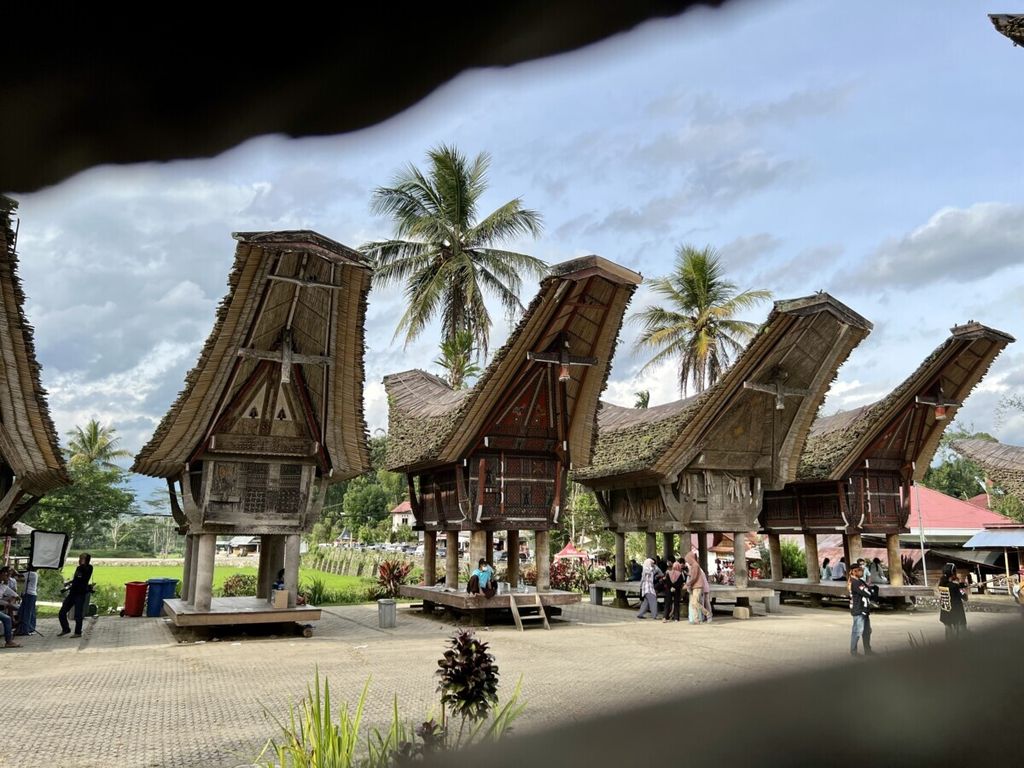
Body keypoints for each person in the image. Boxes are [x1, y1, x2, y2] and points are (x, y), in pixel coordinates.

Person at [58, 552, 93, 638]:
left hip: (80, 594)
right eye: (79, 558)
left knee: (78, 614)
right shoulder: (79, 568)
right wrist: (69, 583)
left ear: (85, 560)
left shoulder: (88, 568)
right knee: (62, 612)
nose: (79, 560)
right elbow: (76, 579)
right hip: (72, 593)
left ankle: (78, 632)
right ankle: (66, 629)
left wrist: (83, 563)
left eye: (81, 559)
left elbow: (82, 576)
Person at [848, 562, 874, 656]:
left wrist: (871, 590)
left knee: (867, 631)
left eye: (861, 570)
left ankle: (868, 650)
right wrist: (871, 591)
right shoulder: (855, 582)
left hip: (864, 610)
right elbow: (867, 593)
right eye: (859, 570)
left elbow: (869, 589)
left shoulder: (860, 581)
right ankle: (853, 651)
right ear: (854, 571)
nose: (861, 572)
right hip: (858, 610)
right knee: (857, 631)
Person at [937, 563, 967, 640]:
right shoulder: (955, 587)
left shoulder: (941, 585)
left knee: (949, 636)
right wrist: (962, 587)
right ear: (953, 574)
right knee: (959, 637)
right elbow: (965, 597)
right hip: (956, 615)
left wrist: (961, 585)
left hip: (946, 613)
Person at [685, 551, 712, 624]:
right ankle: (696, 619)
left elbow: (694, 577)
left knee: (695, 602)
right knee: (694, 603)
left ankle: (707, 613)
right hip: (695, 586)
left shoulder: (695, 565)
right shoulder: (693, 566)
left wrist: (687, 584)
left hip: (698, 586)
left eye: (688, 559)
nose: (687, 561)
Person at [0, 572, 21, 648]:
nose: (8, 578)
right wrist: (8, 604)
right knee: (7, 619)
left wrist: (12, 600)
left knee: (13, 611)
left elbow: (15, 595)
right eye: (6, 576)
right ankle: (9, 641)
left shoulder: (3, 586)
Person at [15, 565, 38, 636]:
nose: (27, 567)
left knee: (26, 612)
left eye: (28, 566)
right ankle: (30, 628)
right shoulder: (32, 574)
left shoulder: (31, 574)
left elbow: (18, 575)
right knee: (30, 612)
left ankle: (24, 629)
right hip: (30, 594)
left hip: (29, 594)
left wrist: (13, 570)